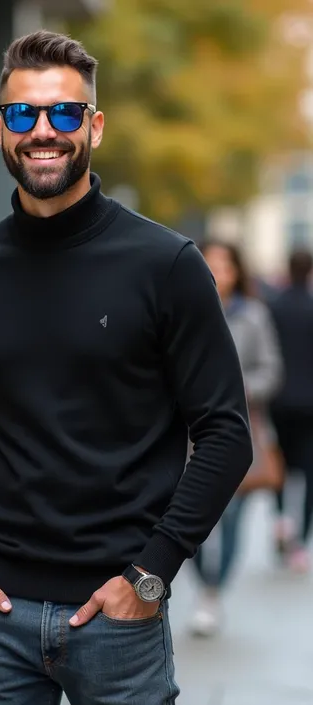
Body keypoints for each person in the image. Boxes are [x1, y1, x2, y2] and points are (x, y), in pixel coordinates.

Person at [0, 30, 252, 705]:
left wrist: (150, 576)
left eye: (64, 113)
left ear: (94, 126)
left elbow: (226, 434)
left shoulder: (167, 266)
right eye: (25, 114)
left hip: (120, 620)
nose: (45, 131)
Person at [189, 241, 283, 637]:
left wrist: (237, 389)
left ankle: (212, 592)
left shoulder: (254, 315)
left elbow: (271, 370)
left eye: (223, 266)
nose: (217, 273)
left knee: (229, 520)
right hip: (189, 434)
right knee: (188, 520)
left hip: (240, 431)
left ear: (236, 271)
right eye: (208, 265)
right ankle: (204, 584)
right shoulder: (186, 311)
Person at [270, 249, 313, 573]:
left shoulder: (273, 306)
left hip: (278, 399)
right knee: (309, 473)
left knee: (279, 465)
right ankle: (301, 538)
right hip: (309, 404)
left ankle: (282, 519)